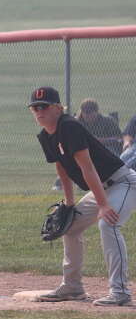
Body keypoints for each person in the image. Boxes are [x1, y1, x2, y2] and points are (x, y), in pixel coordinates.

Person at [28, 86, 136, 306]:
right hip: (101, 188)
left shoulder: (70, 127)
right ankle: (73, 287)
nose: (39, 111)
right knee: (70, 225)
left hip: (122, 182)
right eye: (35, 108)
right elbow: (62, 170)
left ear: (58, 108)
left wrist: (104, 206)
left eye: (44, 106)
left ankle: (120, 292)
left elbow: (88, 168)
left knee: (108, 224)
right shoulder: (45, 136)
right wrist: (68, 204)